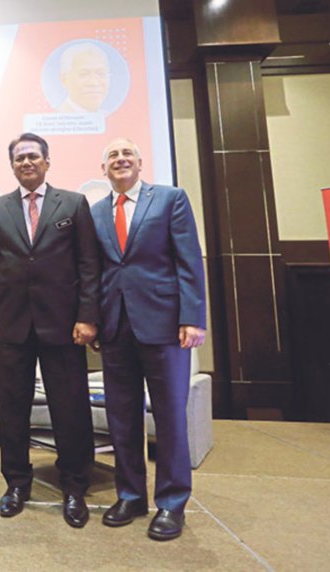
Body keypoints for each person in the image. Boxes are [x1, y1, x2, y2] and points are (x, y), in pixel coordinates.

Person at [0, 133, 101, 528]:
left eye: (33, 156)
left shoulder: (73, 203)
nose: (26, 163)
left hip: (64, 326)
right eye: (19, 158)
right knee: (13, 410)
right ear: (12, 166)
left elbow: (87, 265)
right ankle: (16, 483)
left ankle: (74, 485)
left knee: (71, 409)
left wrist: (87, 316)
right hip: (12, 325)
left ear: (47, 162)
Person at [92, 138, 206, 541]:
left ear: (140, 163)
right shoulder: (97, 211)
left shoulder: (170, 199)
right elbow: (99, 272)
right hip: (115, 329)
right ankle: (130, 495)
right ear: (103, 167)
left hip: (165, 326)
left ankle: (172, 503)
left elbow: (188, 259)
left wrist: (193, 317)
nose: (120, 160)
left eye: (127, 155)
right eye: (112, 156)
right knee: (122, 417)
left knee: (170, 417)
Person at [56, 43, 111, 114]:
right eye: (84, 74)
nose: (94, 83)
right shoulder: (57, 115)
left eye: (101, 73)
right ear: (64, 80)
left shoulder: (107, 116)